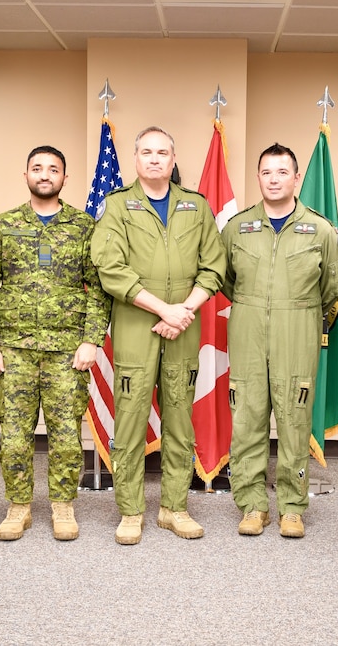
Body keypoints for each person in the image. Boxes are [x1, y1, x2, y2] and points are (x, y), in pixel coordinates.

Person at [90, 126, 226, 545]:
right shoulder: (116, 206)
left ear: (172, 159)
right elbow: (110, 267)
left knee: (181, 422)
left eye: (162, 152)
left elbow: (215, 265)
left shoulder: (196, 206)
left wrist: (182, 310)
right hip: (136, 327)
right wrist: (162, 308)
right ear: (135, 159)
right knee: (129, 421)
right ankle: (131, 511)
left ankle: (174, 508)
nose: (154, 159)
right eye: (146, 152)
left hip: (183, 329)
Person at [0, 145, 110, 542]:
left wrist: (91, 340)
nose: (45, 174)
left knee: (66, 435)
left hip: (67, 351)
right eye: (37, 168)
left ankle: (63, 506)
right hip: (13, 349)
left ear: (65, 178)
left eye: (53, 169)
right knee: (15, 436)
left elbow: (98, 290)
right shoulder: (4, 225)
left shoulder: (84, 227)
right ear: (26, 174)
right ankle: (19, 507)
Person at [220, 143, 338, 539]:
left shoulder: (321, 229)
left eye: (282, 172)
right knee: (247, 421)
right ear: (258, 177)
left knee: (294, 423)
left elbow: (333, 285)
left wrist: (298, 310)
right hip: (248, 331)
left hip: (299, 330)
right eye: (266, 172)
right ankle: (253, 506)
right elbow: (224, 281)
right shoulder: (237, 228)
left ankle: (292, 508)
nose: (273, 179)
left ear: (296, 178)